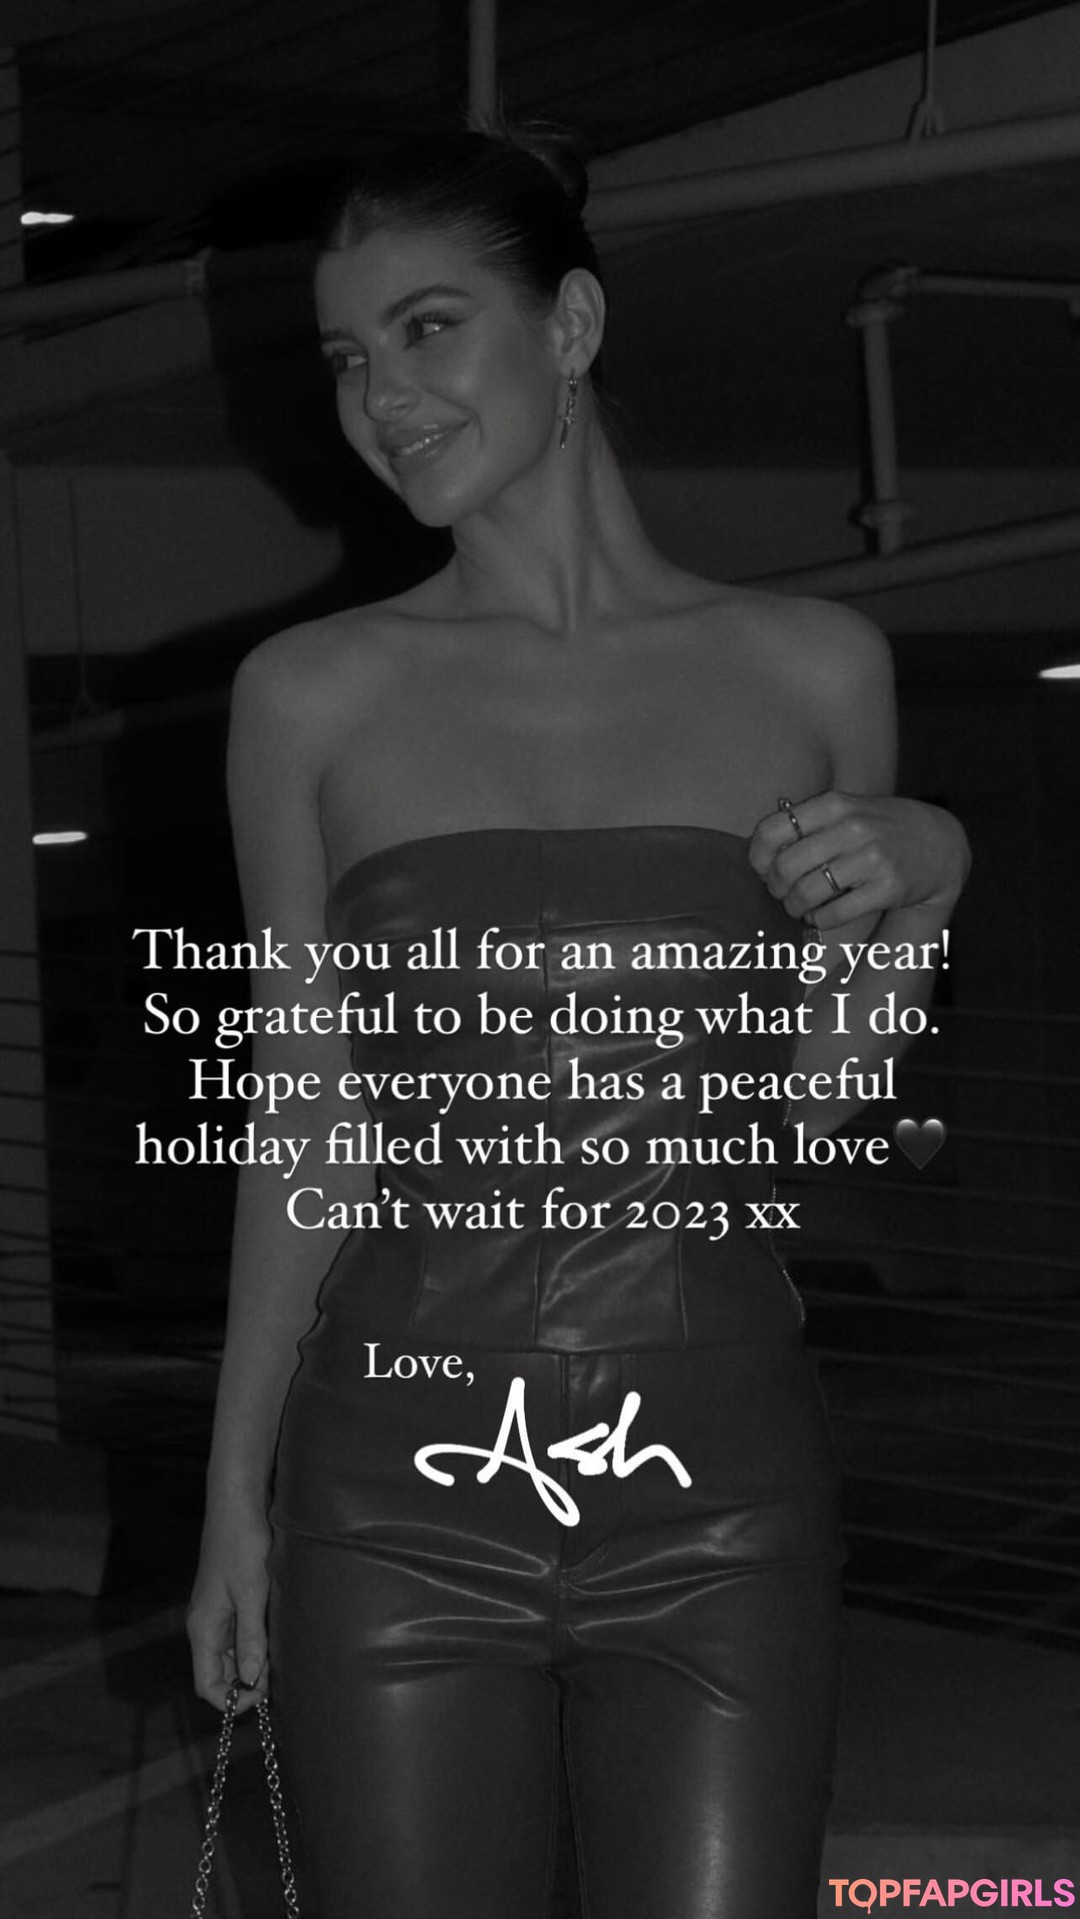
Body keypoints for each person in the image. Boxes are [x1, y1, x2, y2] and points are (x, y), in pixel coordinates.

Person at [186, 124, 971, 1919]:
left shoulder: (811, 667)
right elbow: (307, 1116)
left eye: (429, 328)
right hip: (396, 1492)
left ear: (573, 325)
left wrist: (928, 885)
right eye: (347, 356)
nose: (380, 398)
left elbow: (811, 1109)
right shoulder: (310, 696)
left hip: (717, 1494)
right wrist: (237, 1493)